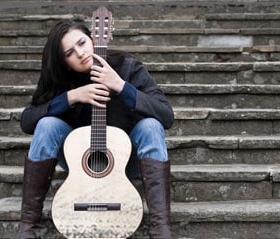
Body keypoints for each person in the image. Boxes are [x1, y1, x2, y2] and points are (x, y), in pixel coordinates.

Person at [16, 19, 174, 239]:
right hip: (82, 163)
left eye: (82, 43)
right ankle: (28, 225)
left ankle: (160, 227)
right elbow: (27, 121)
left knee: (151, 126)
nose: (80, 53)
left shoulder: (128, 67)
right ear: (64, 62)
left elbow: (166, 116)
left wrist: (120, 86)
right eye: (70, 52)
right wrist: (71, 97)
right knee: (47, 124)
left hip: (127, 161)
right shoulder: (61, 79)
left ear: (94, 39)